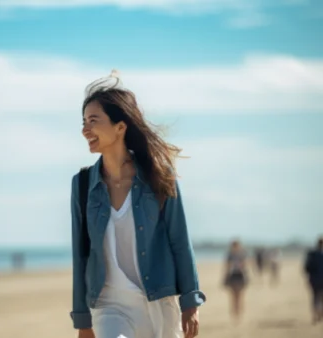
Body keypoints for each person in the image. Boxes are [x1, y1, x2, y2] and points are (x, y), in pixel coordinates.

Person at [70, 71, 206, 338]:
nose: (85, 129)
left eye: (93, 120)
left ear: (120, 127)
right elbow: (81, 254)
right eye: (84, 121)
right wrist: (82, 321)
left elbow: (179, 240)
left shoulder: (159, 175)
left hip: (159, 301)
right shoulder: (83, 184)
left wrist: (190, 300)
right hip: (110, 306)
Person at [223, 240, 248, 322]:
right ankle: (234, 313)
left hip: (240, 276)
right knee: (233, 297)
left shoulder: (242, 254)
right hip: (232, 276)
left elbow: (245, 266)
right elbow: (227, 267)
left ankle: (239, 313)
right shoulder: (230, 255)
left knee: (240, 296)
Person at [304, 237, 323, 325]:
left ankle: (316, 313)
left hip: (314, 279)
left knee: (315, 297)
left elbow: (306, 267)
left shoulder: (312, 254)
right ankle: (319, 312)